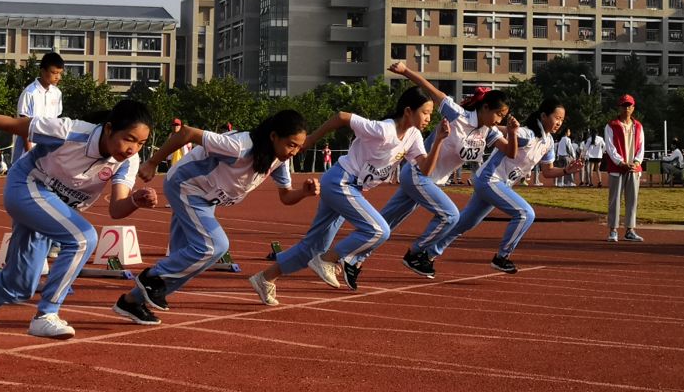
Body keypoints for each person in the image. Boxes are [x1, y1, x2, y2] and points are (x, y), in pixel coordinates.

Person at [0, 99, 158, 349]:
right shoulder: (69, 131)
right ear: (108, 129)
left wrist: (136, 201)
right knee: (83, 238)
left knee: (19, 285)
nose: (132, 149)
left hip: (50, 207)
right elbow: (12, 124)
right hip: (26, 186)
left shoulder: (128, 161)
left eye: (141, 143)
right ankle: (47, 314)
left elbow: (117, 209)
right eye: (129, 139)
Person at [115, 110, 321, 324]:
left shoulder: (279, 160)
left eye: (299, 147)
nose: (294, 152)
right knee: (214, 245)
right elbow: (187, 132)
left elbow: (286, 197)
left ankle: (131, 301)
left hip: (206, 199)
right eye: (291, 144)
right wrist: (152, 163)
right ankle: (150, 278)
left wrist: (304, 193)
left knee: (188, 259)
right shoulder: (239, 147)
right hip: (185, 186)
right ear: (273, 136)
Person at [248, 86, 442, 305]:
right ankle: (329, 260)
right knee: (379, 230)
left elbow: (425, 170)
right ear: (408, 111)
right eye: (425, 112)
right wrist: (310, 140)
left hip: (351, 188)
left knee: (314, 246)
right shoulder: (384, 130)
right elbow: (341, 117)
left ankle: (265, 278)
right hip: (341, 181)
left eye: (430, 114)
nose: (428, 118)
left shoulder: (414, 136)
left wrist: (439, 141)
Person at [348, 62, 512, 280]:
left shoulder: (488, 132)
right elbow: (431, 90)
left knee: (386, 222)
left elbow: (510, 151)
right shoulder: (458, 115)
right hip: (418, 172)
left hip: (428, 179)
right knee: (450, 215)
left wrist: (512, 131)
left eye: (503, 117)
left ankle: (352, 257)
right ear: (484, 108)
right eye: (499, 115)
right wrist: (405, 71)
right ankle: (416, 253)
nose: (499, 120)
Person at [432, 97, 584, 273]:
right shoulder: (526, 134)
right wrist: (495, 127)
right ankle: (502, 257)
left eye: (562, 120)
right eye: (556, 118)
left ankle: (426, 252)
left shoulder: (548, 142)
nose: (559, 122)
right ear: (543, 116)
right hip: (490, 180)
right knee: (525, 213)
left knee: (464, 223)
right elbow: (499, 129)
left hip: (497, 184)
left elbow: (547, 172)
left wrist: (566, 170)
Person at [13, 52, 65, 259]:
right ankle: (23, 245)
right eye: (53, 73)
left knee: (51, 195)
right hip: (31, 149)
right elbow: (24, 125)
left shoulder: (56, 93)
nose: (57, 77)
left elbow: (57, 122)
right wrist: (30, 153)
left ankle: (50, 242)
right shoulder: (30, 93)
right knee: (26, 197)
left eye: (60, 74)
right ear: (42, 71)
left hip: (49, 148)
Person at [603, 94, 645, 243]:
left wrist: (636, 161)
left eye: (629, 105)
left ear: (633, 108)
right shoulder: (611, 125)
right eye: (624, 105)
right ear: (619, 107)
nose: (626, 108)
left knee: (632, 199)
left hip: (633, 168)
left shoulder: (638, 126)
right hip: (617, 168)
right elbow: (610, 147)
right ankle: (613, 230)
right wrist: (620, 162)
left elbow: (641, 146)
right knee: (615, 199)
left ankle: (630, 229)